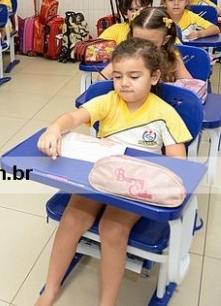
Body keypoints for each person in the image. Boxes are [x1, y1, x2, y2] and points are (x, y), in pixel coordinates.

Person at [35, 37, 192, 306]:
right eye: (118, 76)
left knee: (112, 229)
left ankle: (106, 302)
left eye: (134, 76)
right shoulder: (109, 101)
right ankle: (51, 288)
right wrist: (54, 129)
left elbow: (179, 164)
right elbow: (73, 117)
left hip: (134, 183)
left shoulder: (165, 114)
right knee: (72, 219)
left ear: (154, 77)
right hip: (101, 176)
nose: (124, 83)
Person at [101, 7, 191, 81]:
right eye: (138, 41)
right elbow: (102, 77)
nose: (142, 48)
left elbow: (189, 85)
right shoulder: (126, 56)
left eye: (150, 44)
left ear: (165, 40)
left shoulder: (171, 58)